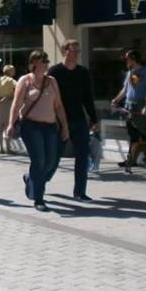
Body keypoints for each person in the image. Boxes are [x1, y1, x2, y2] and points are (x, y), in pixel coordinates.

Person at [6, 49, 70, 212]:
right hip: (31, 126)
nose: (46, 64)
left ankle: (31, 179)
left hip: (50, 126)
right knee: (39, 160)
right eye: (43, 61)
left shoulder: (52, 81)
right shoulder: (25, 81)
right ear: (34, 64)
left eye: (47, 61)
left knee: (51, 162)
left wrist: (65, 126)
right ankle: (39, 198)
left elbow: (59, 105)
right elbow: (16, 104)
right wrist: (11, 124)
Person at [48, 40, 99, 201]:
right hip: (59, 121)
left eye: (78, 50)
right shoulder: (54, 72)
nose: (77, 53)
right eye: (73, 50)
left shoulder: (83, 72)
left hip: (78, 120)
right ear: (64, 51)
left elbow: (87, 98)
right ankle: (35, 179)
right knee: (53, 157)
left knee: (82, 156)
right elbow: (49, 98)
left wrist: (93, 118)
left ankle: (80, 192)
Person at [111, 49, 146, 168]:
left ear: (133, 59)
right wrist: (116, 100)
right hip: (129, 106)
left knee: (144, 133)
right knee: (133, 135)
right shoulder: (130, 72)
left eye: (127, 59)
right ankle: (131, 160)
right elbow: (125, 90)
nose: (126, 61)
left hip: (140, 105)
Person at [0, 65, 18, 154]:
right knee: (7, 127)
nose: (14, 72)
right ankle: (8, 148)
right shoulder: (11, 80)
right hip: (7, 103)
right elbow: (18, 86)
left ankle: (1, 147)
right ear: (10, 71)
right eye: (13, 70)